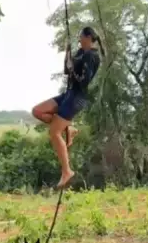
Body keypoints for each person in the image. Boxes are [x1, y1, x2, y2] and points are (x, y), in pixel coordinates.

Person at [32, 27, 102, 189]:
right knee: (37, 111)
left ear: (88, 37)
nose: (79, 40)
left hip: (77, 98)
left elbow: (84, 81)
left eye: (81, 37)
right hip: (68, 94)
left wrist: (73, 68)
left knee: (54, 132)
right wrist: (67, 54)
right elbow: (66, 71)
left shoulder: (92, 56)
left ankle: (67, 171)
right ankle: (69, 128)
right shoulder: (80, 52)